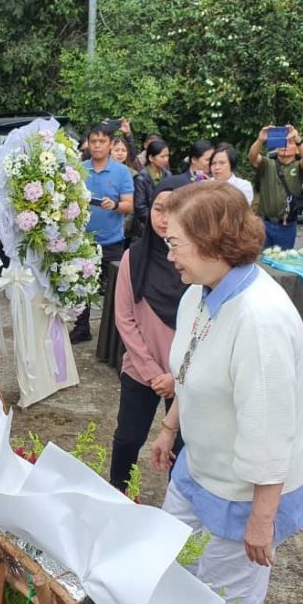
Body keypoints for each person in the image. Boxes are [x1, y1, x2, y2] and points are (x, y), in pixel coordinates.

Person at [151, 182, 303, 604]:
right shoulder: (202, 292)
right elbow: (190, 368)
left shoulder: (259, 319)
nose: (169, 253)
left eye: (176, 242)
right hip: (199, 467)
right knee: (168, 573)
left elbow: (270, 431)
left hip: (246, 493)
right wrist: (170, 427)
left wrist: (262, 520)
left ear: (212, 242)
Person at [109, 177, 189, 492]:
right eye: (158, 209)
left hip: (185, 377)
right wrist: (152, 371)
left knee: (183, 444)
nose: (164, 218)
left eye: (173, 210)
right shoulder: (135, 256)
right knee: (128, 437)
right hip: (142, 370)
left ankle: (178, 505)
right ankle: (116, 492)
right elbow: (124, 317)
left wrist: (176, 376)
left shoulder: (198, 261)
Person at [71, 121, 134, 344]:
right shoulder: (79, 170)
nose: (97, 145)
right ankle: (81, 327)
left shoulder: (121, 171)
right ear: (88, 143)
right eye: (93, 141)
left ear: (110, 144)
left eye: (102, 141)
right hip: (83, 241)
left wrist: (114, 205)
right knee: (80, 286)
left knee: (117, 291)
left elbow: (130, 205)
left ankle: (115, 333)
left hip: (112, 242)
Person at [247, 124, 303, 249]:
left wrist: (297, 139)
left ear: (297, 150)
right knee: (261, 261)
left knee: (283, 262)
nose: (285, 146)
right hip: (264, 223)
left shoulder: (298, 167)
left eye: (290, 143)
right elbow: (252, 157)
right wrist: (260, 140)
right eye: (282, 142)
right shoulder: (267, 164)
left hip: (287, 225)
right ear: (276, 148)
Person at [132, 139, 171, 244]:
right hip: (145, 228)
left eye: (167, 156)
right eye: (162, 157)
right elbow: (140, 208)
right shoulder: (141, 178)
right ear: (151, 158)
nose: (166, 160)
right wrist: (157, 219)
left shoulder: (167, 175)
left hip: (165, 225)